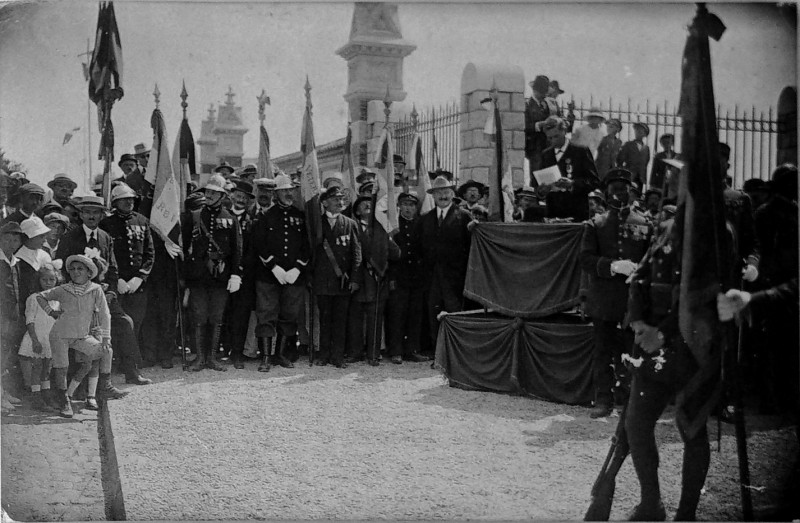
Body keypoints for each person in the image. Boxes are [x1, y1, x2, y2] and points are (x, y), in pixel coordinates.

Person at [624, 182, 728, 520]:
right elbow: (640, 276)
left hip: (694, 352)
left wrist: (662, 334)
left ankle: (686, 513)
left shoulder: (719, 237)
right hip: (654, 349)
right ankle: (651, 503)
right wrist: (639, 322)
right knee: (636, 425)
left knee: (692, 432)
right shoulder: (667, 229)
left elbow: (708, 300)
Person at [55, 194, 151, 386]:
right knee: (84, 333)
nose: (92, 216)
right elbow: (62, 270)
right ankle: (81, 384)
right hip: (78, 297)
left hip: (103, 296)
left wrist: (111, 292)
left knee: (125, 323)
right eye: (87, 212)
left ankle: (131, 371)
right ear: (80, 214)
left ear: (101, 215)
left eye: (96, 213)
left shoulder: (105, 237)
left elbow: (113, 270)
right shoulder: (70, 237)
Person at [580, 168, 652, 418]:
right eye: (614, 189)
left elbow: (651, 259)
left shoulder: (644, 223)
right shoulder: (596, 224)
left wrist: (641, 270)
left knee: (635, 351)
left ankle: (633, 402)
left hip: (634, 299)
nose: (620, 193)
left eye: (624, 188)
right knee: (602, 351)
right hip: (604, 298)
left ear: (631, 191)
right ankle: (603, 400)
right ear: (606, 192)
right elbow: (586, 259)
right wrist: (612, 266)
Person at [37, 254, 127, 418]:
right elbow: (41, 297)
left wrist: (106, 337)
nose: (76, 272)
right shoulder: (63, 289)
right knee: (61, 368)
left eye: (80, 269)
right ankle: (64, 401)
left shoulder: (95, 290)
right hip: (60, 335)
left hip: (81, 336)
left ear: (88, 272)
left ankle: (105, 386)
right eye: (72, 269)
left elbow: (105, 314)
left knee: (106, 351)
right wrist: (51, 312)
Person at [248, 174, 310, 371]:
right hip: (268, 275)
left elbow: (307, 245)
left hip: (293, 276)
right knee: (266, 314)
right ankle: (266, 356)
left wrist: (297, 268)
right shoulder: (265, 217)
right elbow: (259, 244)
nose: (289, 193)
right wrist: (273, 266)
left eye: (291, 190)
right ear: (276, 193)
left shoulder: (300, 216)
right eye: (284, 190)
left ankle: (280, 355)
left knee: (289, 315)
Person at [181, 174, 243, 372]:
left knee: (216, 317)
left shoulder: (230, 218)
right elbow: (184, 244)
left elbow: (237, 249)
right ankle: (200, 357)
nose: (208, 195)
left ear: (222, 195)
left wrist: (235, 274)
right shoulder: (194, 216)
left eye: (213, 192)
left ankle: (212, 358)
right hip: (198, 275)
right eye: (207, 191)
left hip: (220, 275)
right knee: (199, 316)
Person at [416, 176, 474, 352]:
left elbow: (471, 248)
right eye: (439, 193)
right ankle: (438, 353)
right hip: (432, 277)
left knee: (455, 313)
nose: (443, 196)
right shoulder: (425, 219)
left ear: (453, 194)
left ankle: (457, 353)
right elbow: (420, 248)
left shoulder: (464, 217)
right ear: (433, 196)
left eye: (446, 192)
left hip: (455, 277)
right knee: (434, 314)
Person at [99, 183, 155, 364]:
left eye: (131, 199)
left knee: (137, 322)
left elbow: (149, 252)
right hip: (118, 284)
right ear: (115, 202)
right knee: (119, 324)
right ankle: (117, 360)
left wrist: (140, 277)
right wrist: (119, 280)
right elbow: (106, 254)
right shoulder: (106, 223)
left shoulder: (142, 221)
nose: (129, 202)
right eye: (124, 200)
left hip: (138, 284)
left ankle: (132, 361)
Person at [346, 195, 400, 366]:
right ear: (357, 211)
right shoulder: (352, 226)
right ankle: (355, 352)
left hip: (377, 280)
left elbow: (396, 254)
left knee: (375, 319)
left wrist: (386, 242)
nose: (368, 207)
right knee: (355, 320)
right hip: (358, 279)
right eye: (364, 205)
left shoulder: (381, 228)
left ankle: (373, 354)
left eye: (371, 205)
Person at [312, 186, 362, 368]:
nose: (340, 202)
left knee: (340, 320)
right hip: (323, 280)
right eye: (335, 199)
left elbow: (357, 254)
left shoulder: (350, 223)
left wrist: (355, 279)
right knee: (325, 319)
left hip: (343, 281)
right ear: (324, 203)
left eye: (342, 199)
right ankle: (323, 355)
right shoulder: (316, 223)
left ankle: (337, 356)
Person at [385, 192, 428, 364]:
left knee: (415, 314)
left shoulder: (421, 224)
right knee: (397, 314)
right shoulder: (394, 226)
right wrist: (391, 277)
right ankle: (395, 350)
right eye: (404, 205)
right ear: (399, 207)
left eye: (411, 205)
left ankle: (412, 349)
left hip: (416, 277)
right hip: (399, 277)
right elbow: (389, 254)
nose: (408, 208)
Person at [540, 116, 600, 221]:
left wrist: (573, 184)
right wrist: (542, 190)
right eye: (549, 138)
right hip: (553, 212)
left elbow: (594, 181)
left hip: (576, 212)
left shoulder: (580, 151)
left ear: (564, 131)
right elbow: (536, 184)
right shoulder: (546, 155)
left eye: (556, 136)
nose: (553, 141)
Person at [18, 263, 60, 412]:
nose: (48, 283)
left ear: (57, 280)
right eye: (44, 280)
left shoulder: (57, 300)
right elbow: (29, 320)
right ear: (39, 280)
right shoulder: (34, 298)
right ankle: (36, 397)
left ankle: (46, 395)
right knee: (37, 368)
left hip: (49, 339)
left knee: (46, 369)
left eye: (51, 279)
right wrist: (35, 340)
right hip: (36, 337)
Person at [222, 179, 256, 367]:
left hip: (244, 277)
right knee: (224, 312)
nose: (241, 199)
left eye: (245, 197)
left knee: (240, 315)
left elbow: (252, 250)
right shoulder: (224, 217)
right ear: (232, 196)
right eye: (239, 196)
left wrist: (240, 272)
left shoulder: (253, 222)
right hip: (223, 275)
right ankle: (223, 348)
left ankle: (237, 352)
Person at [0, 222, 26, 412]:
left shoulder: (14, 262)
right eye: (7, 239)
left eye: (15, 239)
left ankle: (3, 391)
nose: (11, 243)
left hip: (12, 315)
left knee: (7, 354)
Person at [525, 75, 561, 173]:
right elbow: (523, 126)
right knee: (537, 176)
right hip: (535, 148)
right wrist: (538, 125)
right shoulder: (527, 105)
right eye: (542, 92)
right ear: (535, 91)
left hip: (549, 146)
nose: (544, 95)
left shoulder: (549, 104)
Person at [617, 122, 651, 188]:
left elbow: (646, 163)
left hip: (641, 177)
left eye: (641, 131)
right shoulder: (628, 145)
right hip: (629, 175)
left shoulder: (646, 148)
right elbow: (620, 160)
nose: (639, 132)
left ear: (645, 134)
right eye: (637, 130)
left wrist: (643, 176)